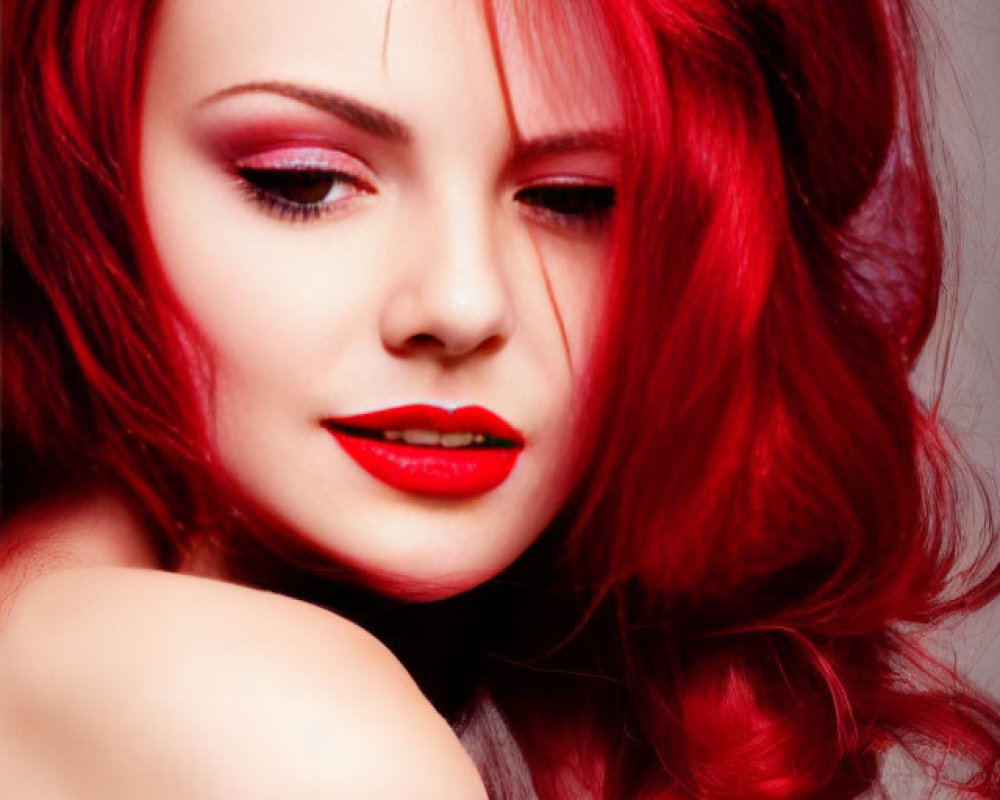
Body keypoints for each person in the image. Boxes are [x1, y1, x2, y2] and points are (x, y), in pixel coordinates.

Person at [2, 0, 998, 797]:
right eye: (303, 182)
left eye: (571, 197)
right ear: (74, 177)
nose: (464, 303)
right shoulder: (294, 731)